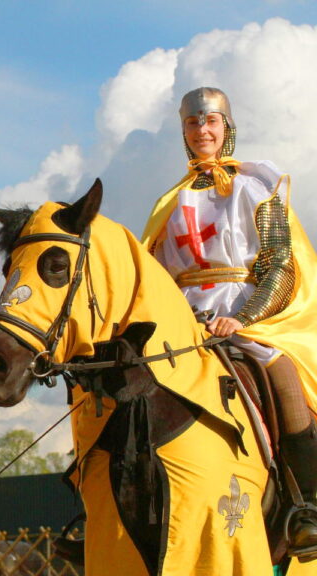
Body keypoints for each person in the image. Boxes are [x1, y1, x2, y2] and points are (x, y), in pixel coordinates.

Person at [142, 86, 317, 559]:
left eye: (211, 122)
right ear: (184, 132)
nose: (202, 131)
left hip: (244, 310)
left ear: (227, 127)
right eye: (193, 124)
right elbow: (154, 274)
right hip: (181, 317)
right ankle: (103, 500)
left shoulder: (256, 188)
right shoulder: (169, 202)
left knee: (279, 371)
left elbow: (280, 264)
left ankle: (306, 507)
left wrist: (240, 318)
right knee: (127, 376)